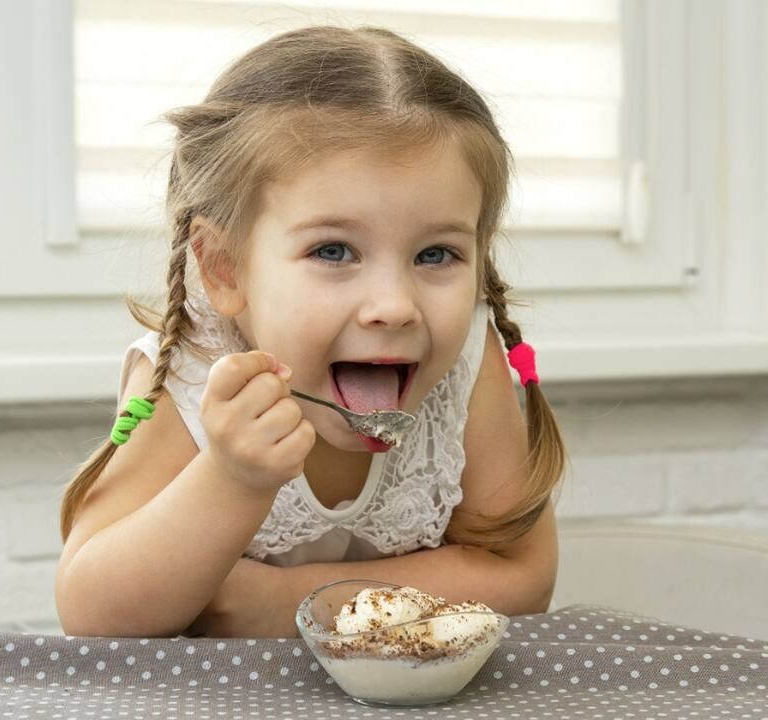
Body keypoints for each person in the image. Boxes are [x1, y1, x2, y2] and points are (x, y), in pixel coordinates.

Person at [53, 25, 566, 638]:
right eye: (333, 250)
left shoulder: (464, 363)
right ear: (224, 266)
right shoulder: (191, 375)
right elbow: (93, 614)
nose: (394, 306)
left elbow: (524, 578)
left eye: (435, 255)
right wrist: (229, 479)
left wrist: (281, 602)